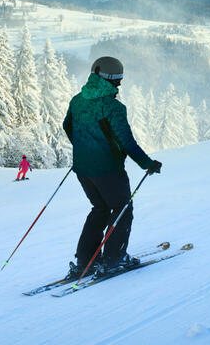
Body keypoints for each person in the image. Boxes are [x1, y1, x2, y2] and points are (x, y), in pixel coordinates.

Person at [62, 56, 161, 279]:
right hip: (108, 170)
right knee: (122, 210)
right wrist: (148, 164)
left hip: (83, 169)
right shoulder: (113, 107)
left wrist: (85, 148)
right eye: (119, 80)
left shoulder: (77, 100)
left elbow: (67, 126)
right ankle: (114, 260)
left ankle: (85, 261)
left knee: (99, 209)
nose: (120, 84)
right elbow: (126, 142)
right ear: (113, 80)